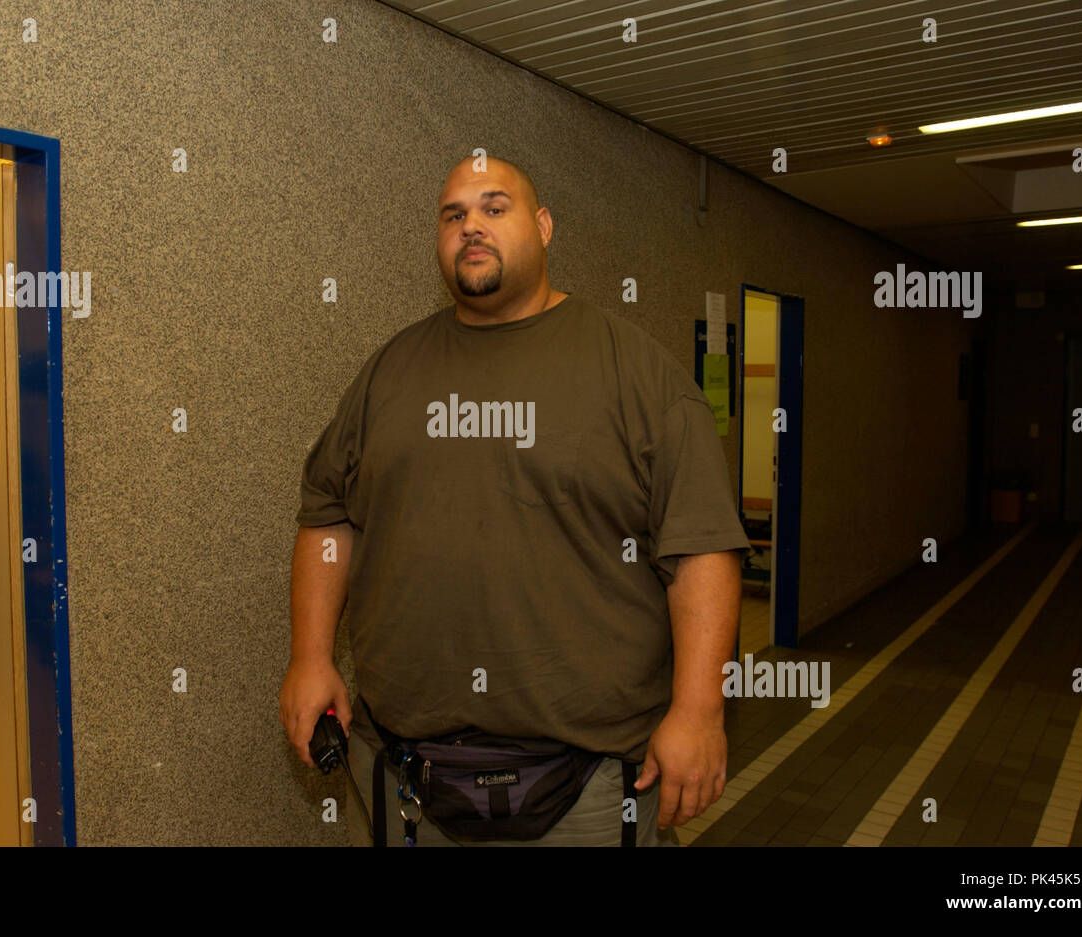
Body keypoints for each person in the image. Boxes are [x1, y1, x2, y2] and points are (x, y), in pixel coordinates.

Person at [281, 154, 750, 846]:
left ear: (543, 225)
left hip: (587, 785)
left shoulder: (635, 372)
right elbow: (328, 513)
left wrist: (699, 708)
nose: (471, 226)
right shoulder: (390, 372)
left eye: (494, 208)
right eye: (453, 215)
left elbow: (702, 544)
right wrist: (311, 655)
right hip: (407, 774)